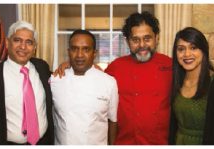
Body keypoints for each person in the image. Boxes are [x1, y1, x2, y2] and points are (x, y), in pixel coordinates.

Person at [54, 11, 172, 145]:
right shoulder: (116, 66)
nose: (141, 45)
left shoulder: (170, 66)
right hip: (123, 143)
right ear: (127, 41)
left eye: (147, 38)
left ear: (157, 38)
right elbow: (92, 72)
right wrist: (71, 63)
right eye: (135, 40)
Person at [0, 20, 54, 145]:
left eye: (29, 42)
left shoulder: (42, 67)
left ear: (35, 47)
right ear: (7, 43)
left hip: (44, 142)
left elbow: (58, 79)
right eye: (17, 40)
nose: (23, 47)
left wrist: (68, 66)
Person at [168, 27, 214, 145]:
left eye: (193, 48)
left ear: (203, 50)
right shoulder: (176, 82)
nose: (187, 54)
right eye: (181, 49)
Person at [50, 29, 119, 145]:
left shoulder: (109, 82)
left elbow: (112, 121)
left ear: (94, 53)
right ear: (68, 52)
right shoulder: (55, 80)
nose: (79, 55)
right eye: (74, 49)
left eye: (86, 49)